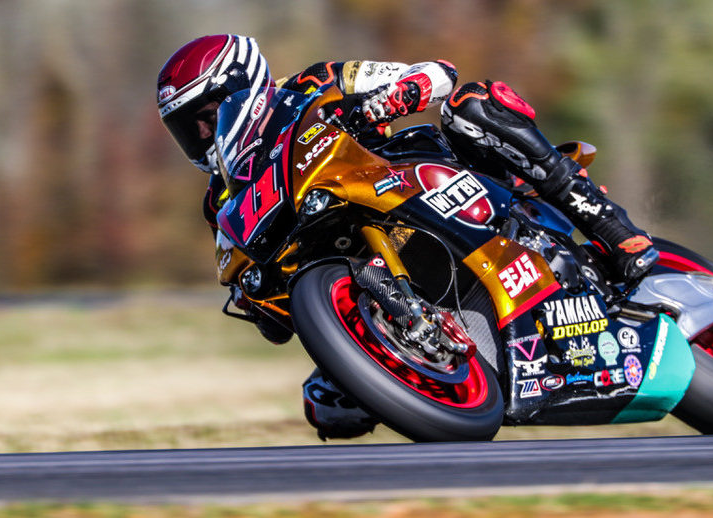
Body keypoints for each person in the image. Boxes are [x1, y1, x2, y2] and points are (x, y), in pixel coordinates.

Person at [156, 34, 658, 439]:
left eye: (206, 116)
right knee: (327, 407)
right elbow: (267, 312)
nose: (202, 136)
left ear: (244, 85)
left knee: (473, 106)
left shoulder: (314, 82)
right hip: (357, 266)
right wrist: (253, 294)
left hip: (420, 173)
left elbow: (438, 73)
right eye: (187, 128)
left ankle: (609, 225)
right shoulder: (218, 199)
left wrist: (396, 94)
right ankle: (431, 359)